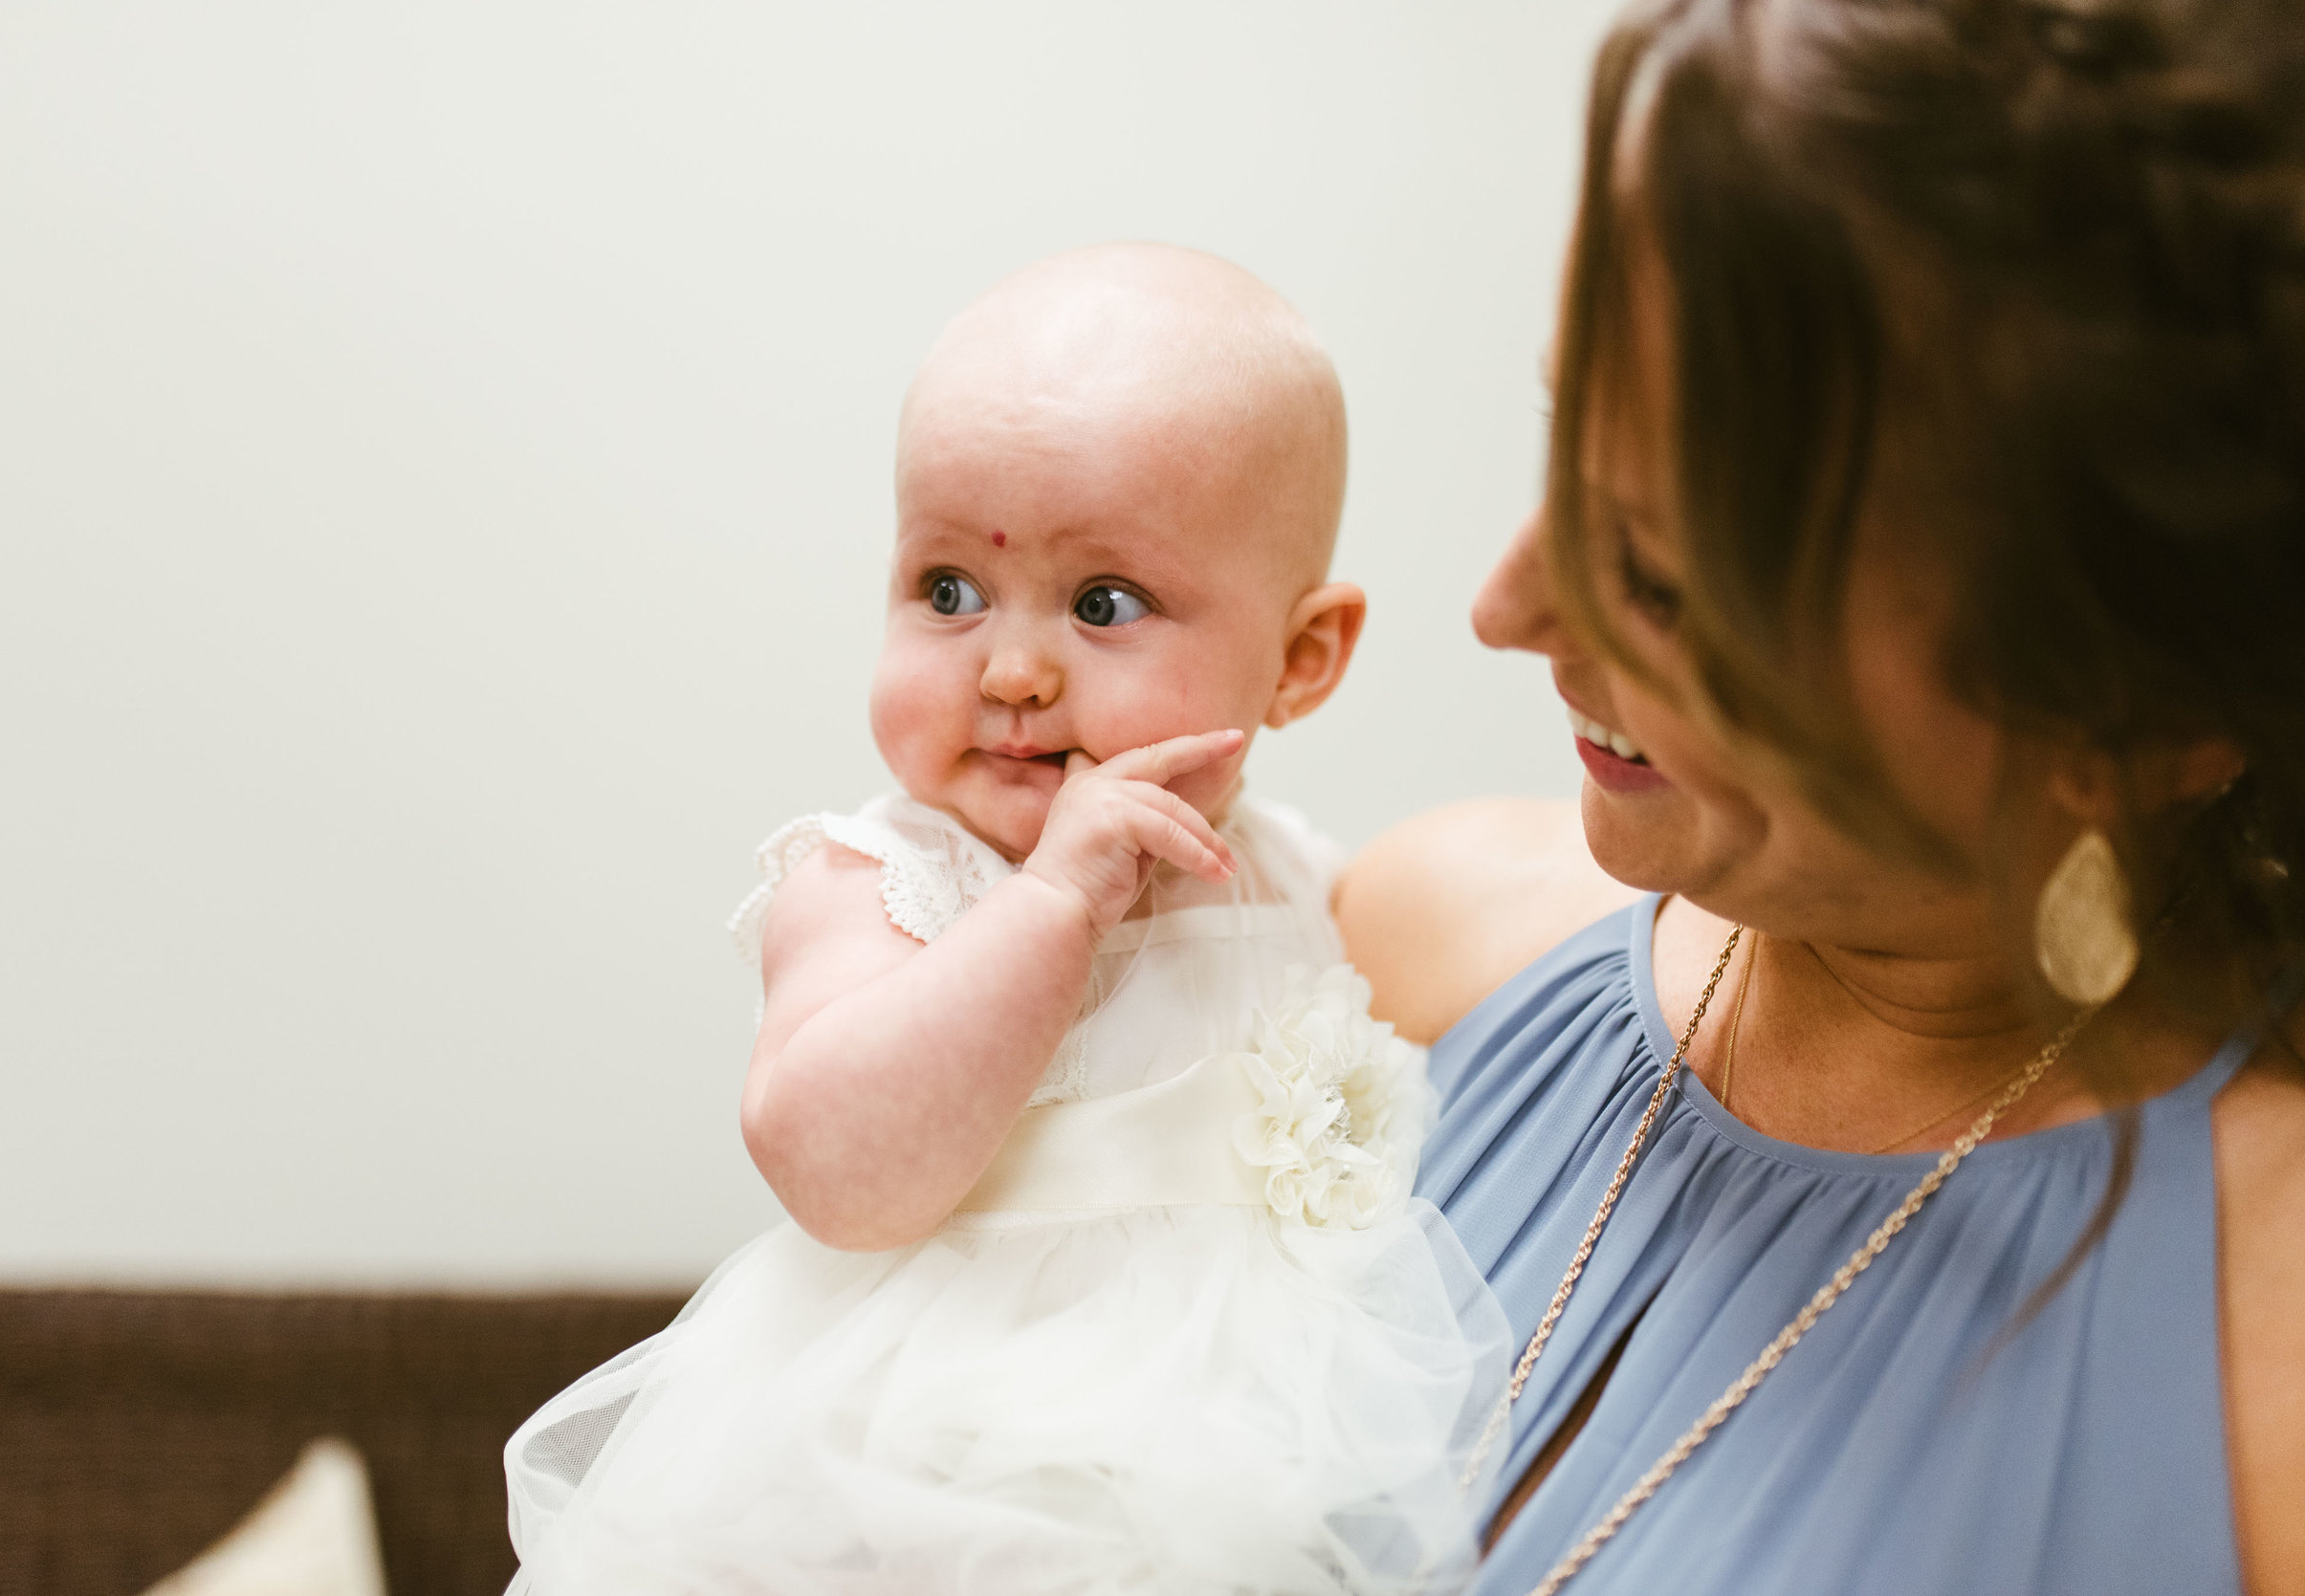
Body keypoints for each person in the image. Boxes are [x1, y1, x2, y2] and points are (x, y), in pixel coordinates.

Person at [1338, 1, 2305, 1591]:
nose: (1509, 608)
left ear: (2137, 713)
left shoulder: (2253, 1368)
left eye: (1663, 577)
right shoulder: (1419, 962)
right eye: (1559, 444)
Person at [501, 244, 1509, 1595]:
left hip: (1223, 1470)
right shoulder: (882, 879)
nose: (1014, 669)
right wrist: (1050, 906)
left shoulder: (1293, 879)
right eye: (947, 592)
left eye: (1105, 604)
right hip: (908, 1482)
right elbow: (837, 1172)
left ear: (1302, 658)